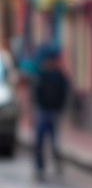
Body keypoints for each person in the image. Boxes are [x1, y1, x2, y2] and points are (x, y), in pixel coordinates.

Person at [32, 44, 69, 180]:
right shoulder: (56, 75)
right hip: (49, 111)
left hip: (47, 111)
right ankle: (43, 165)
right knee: (50, 139)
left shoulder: (47, 75)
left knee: (46, 140)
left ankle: (45, 165)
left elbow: (36, 93)